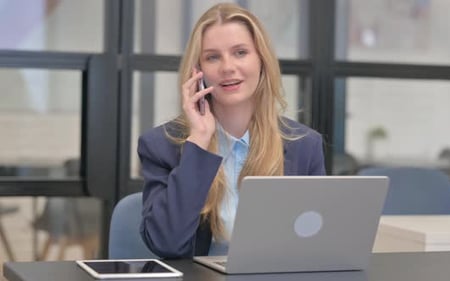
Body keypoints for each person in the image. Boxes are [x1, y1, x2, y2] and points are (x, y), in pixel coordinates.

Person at [138, 2, 326, 259]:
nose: (227, 67)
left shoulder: (304, 145)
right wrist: (198, 142)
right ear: (198, 71)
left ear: (262, 60)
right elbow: (166, 243)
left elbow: (318, 243)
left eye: (240, 52)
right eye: (213, 57)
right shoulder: (161, 145)